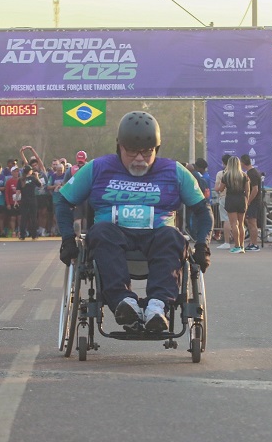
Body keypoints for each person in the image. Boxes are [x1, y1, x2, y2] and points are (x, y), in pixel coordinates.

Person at [55, 111, 213, 333]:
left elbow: (202, 210)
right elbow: (63, 201)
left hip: (158, 236)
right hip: (113, 235)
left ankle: (157, 306)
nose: (140, 159)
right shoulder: (97, 168)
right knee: (100, 232)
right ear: (119, 146)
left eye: (147, 152)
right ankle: (124, 303)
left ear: (156, 149)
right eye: (132, 152)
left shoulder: (175, 171)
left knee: (174, 237)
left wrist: (203, 245)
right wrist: (68, 239)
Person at [215, 155, 249, 254]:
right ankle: (242, 246)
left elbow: (221, 189)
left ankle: (237, 245)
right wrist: (246, 200)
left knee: (234, 224)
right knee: (241, 224)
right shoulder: (244, 175)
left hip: (230, 199)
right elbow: (247, 190)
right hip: (241, 199)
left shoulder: (226, 175)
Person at [239, 154, 262, 251]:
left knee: (252, 223)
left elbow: (255, 189)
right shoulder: (251, 172)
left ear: (243, 162)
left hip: (254, 201)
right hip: (253, 201)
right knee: (249, 222)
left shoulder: (252, 173)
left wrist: (248, 201)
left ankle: (255, 244)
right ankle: (252, 242)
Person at [17, 164, 42, 239]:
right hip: (32, 199)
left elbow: (18, 191)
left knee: (23, 218)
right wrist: (37, 176)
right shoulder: (33, 178)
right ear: (30, 171)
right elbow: (40, 185)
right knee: (33, 217)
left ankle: (22, 235)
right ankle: (34, 234)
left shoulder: (21, 179)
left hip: (24, 200)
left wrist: (16, 200)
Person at [214, 154, 232, 249]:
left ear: (223, 162)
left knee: (226, 220)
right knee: (238, 220)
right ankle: (239, 242)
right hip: (237, 198)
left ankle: (227, 242)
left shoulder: (221, 174)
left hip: (224, 197)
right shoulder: (238, 173)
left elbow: (217, 188)